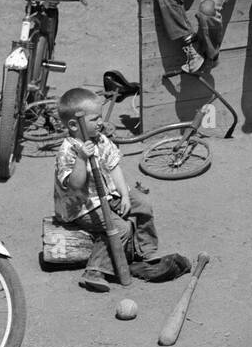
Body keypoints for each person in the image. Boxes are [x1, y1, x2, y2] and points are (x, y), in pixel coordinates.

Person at [52, 88, 189, 292]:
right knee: (121, 229)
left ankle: (146, 251)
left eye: (100, 116)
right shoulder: (68, 151)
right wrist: (81, 158)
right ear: (73, 124)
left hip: (108, 194)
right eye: (94, 119)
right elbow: (75, 185)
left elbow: (114, 167)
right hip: (82, 206)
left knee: (143, 203)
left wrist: (125, 194)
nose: (100, 122)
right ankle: (95, 271)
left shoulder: (100, 139)